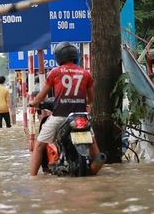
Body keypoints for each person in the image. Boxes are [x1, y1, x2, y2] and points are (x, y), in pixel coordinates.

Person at [29, 41, 101, 176]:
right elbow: (91, 99)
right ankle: (96, 168)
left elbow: (40, 97)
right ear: (75, 56)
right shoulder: (85, 73)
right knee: (92, 143)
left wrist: (34, 103)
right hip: (81, 116)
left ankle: (32, 177)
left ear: (59, 57)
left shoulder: (55, 72)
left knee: (39, 145)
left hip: (60, 116)